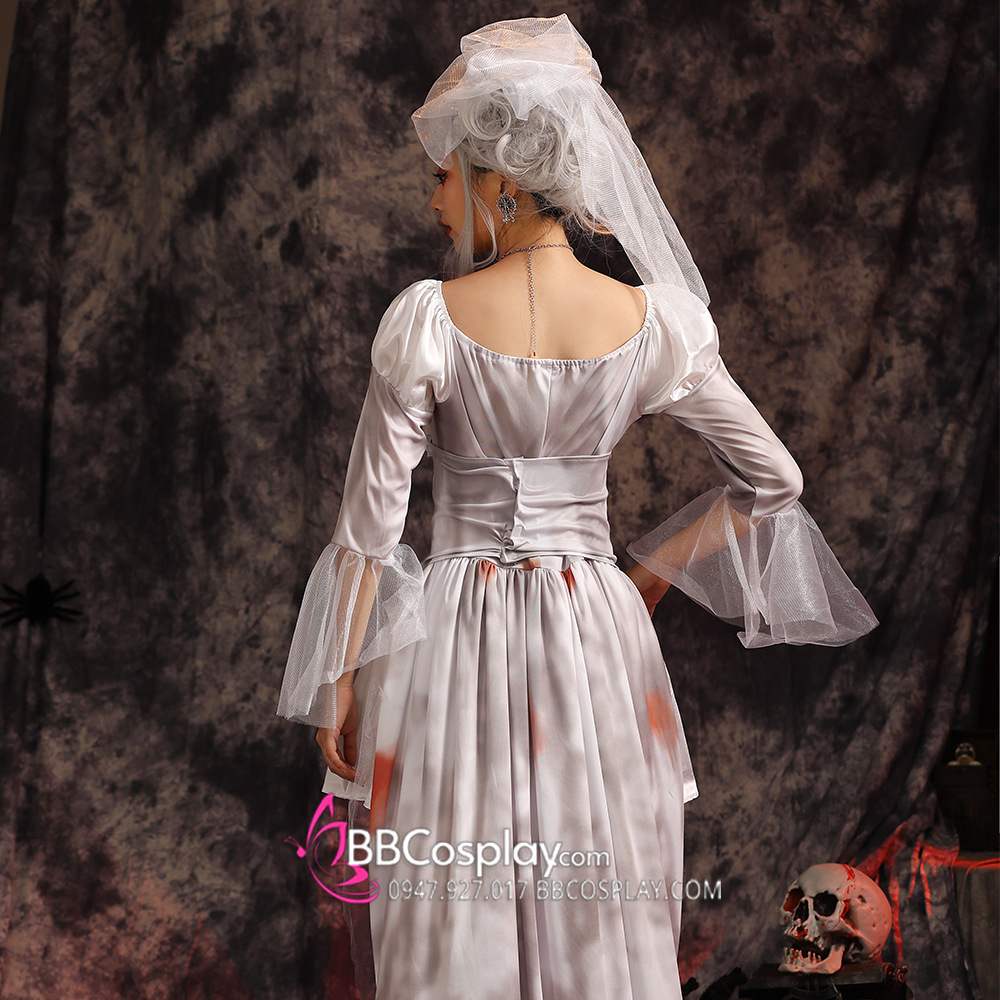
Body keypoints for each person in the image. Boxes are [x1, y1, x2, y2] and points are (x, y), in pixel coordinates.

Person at [275, 15, 878, 999]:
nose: (434, 198)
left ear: (501, 181)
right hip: (594, 632)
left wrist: (337, 676)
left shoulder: (426, 320)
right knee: (600, 894)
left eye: (445, 174)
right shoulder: (656, 324)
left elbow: (368, 528)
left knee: (453, 893)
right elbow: (774, 479)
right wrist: (646, 572)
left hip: (453, 635)